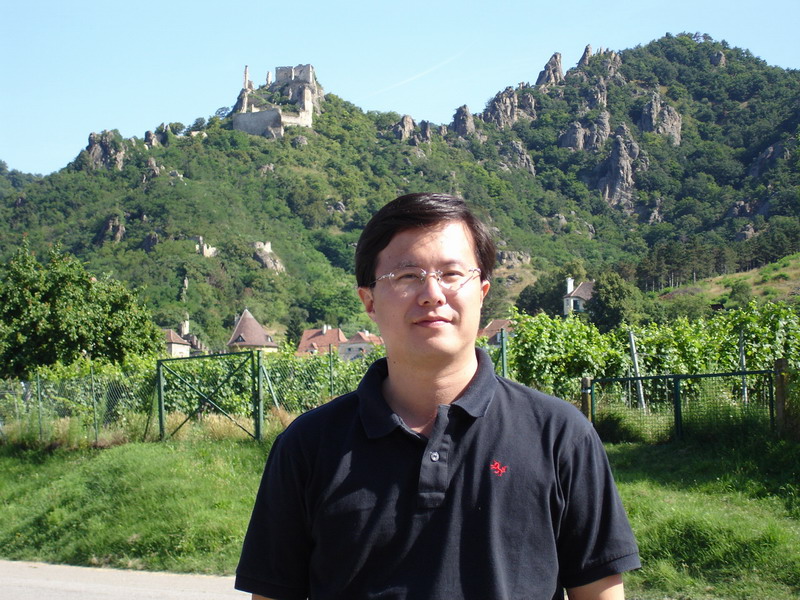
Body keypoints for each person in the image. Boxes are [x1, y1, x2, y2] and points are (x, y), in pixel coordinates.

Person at [235, 193, 640, 600]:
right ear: (369, 300)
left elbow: (598, 591)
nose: (432, 294)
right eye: (407, 276)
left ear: (482, 291)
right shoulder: (308, 445)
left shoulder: (559, 435)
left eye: (451, 274)